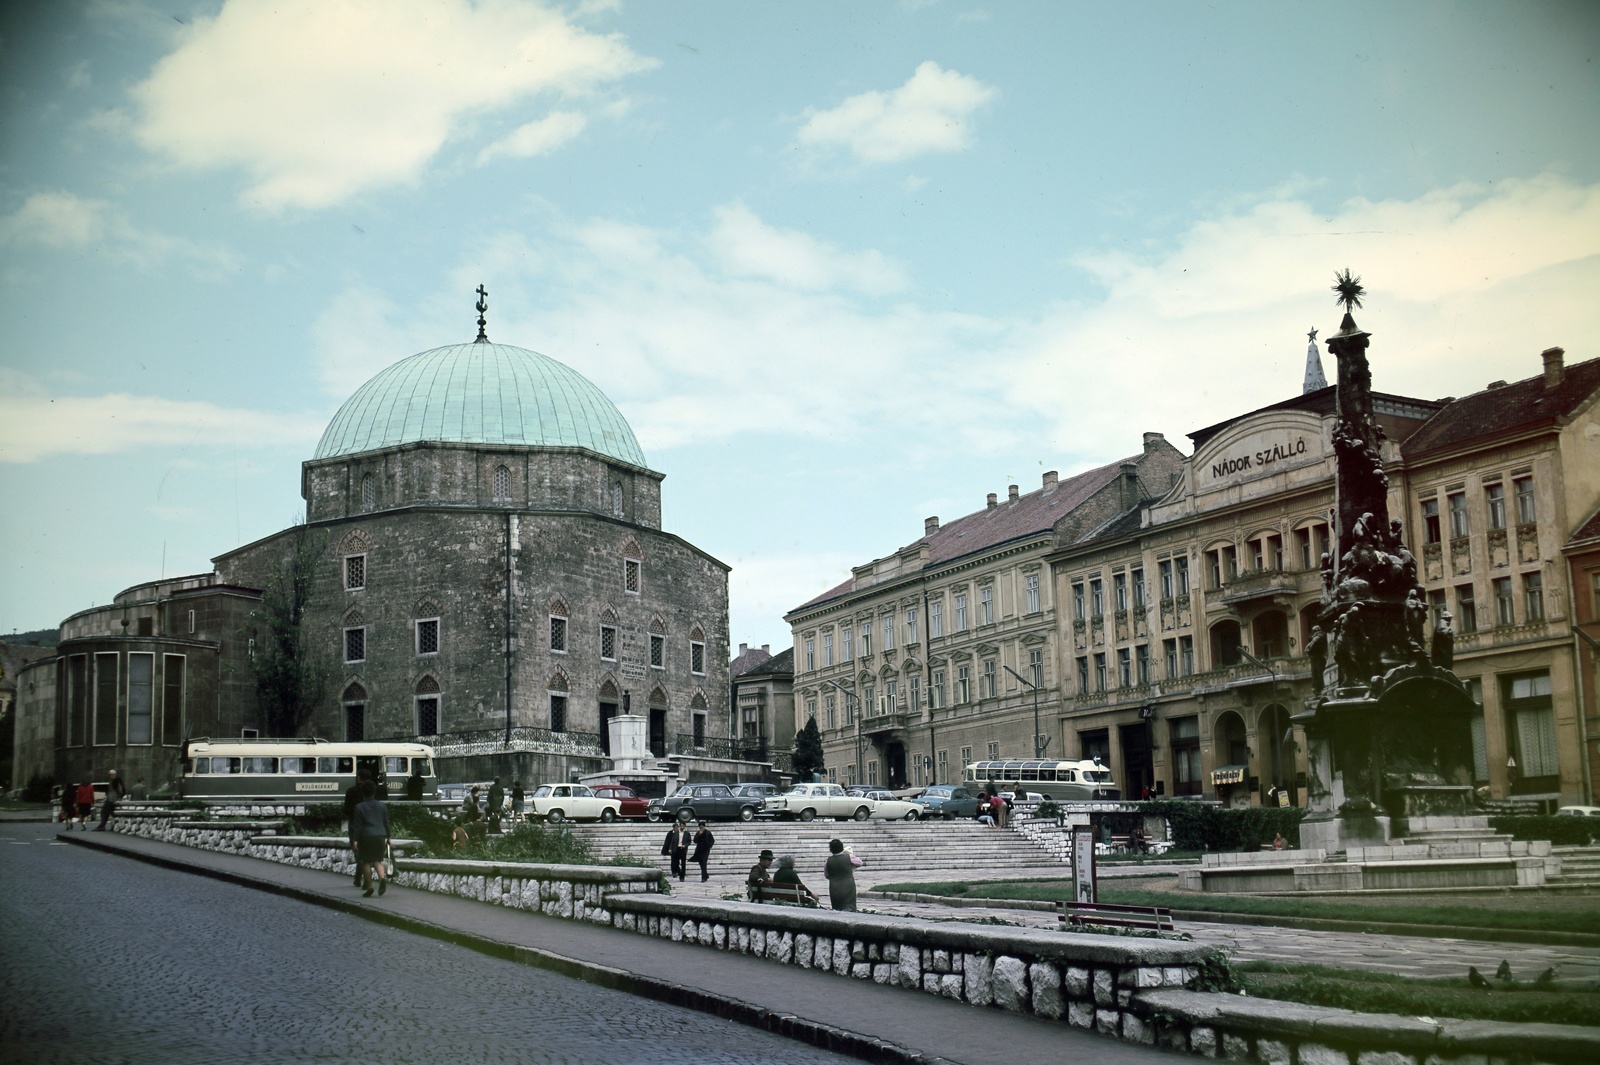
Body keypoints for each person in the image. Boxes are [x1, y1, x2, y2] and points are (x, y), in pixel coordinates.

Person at [350, 780, 392, 897]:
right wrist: (388, 836)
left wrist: (355, 840)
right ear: (374, 791)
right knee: (377, 860)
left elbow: (357, 826)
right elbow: (386, 822)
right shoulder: (382, 806)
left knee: (366, 861)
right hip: (380, 835)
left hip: (366, 837)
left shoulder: (359, 807)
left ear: (363, 792)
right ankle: (382, 878)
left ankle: (369, 886)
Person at [344, 770, 373, 887]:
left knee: (358, 853)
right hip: (368, 825)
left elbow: (346, 809)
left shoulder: (351, 791)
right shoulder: (371, 792)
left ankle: (362, 879)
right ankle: (359, 878)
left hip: (354, 824)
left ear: (359, 778)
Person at [823, 838, 860, 911]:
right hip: (849, 885)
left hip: (834, 887)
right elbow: (860, 862)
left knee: (837, 907)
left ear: (831, 849)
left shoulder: (828, 860)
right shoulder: (849, 857)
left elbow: (826, 875)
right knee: (850, 906)